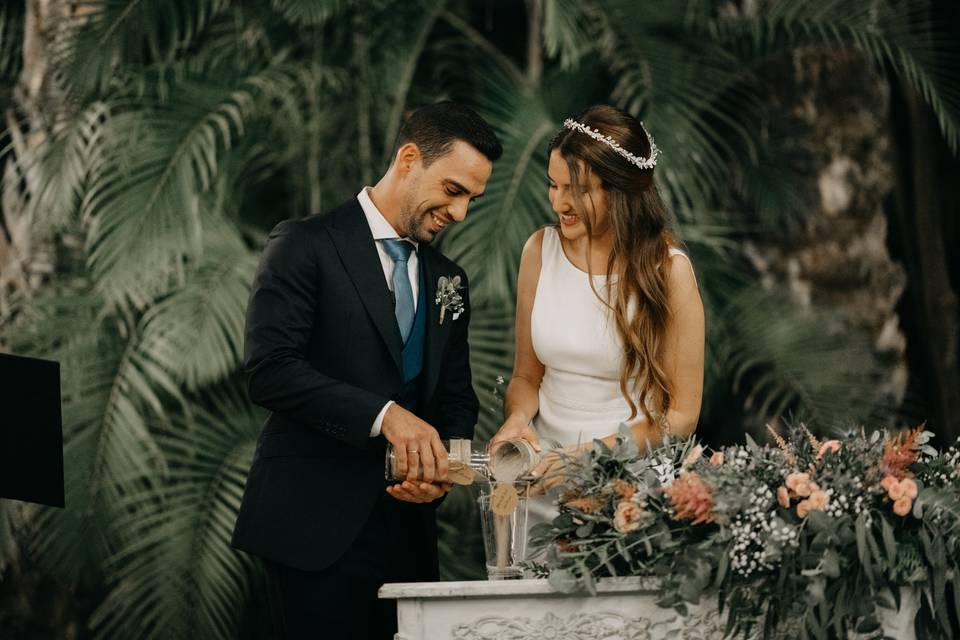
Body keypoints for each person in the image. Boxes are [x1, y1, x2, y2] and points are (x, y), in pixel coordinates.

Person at [231, 101, 502, 639]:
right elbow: (271, 369)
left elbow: (455, 398)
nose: (461, 212)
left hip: (409, 537)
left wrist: (442, 473)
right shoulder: (304, 244)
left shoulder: (450, 280)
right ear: (408, 159)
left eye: (473, 198)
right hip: (312, 526)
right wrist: (386, 416)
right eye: (453, 190)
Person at [491, 104, 704, 527]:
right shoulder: (539, 251)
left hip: (627, 494)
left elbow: (680, 417)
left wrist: (581, 458)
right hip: (539, 487)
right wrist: (517, 421)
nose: (559, 203)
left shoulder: (668, 271)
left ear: (620, 190)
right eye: (553, 185)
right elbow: (526, 377)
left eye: (578, 189)